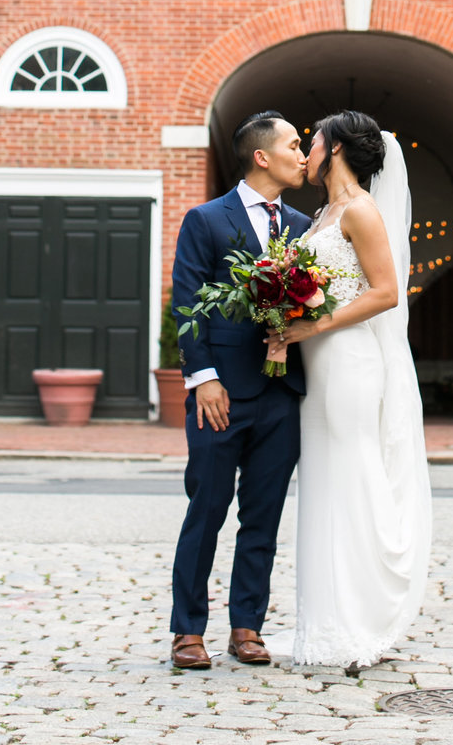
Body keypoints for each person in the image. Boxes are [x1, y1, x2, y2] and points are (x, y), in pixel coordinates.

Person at [275, 109, 431, 668]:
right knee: (322, 482)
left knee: (351, 476)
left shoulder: (362, 211)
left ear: (336, 149)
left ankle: (364, 617)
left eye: (313, 141)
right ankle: (326, 619)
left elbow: (387, 292)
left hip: (348, 362)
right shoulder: (324, 213)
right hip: (318, 366)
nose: (307, 151)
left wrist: (311, 326)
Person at [168, 109, 311, 670]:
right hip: (220, 393)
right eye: (295, 145)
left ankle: (247, 627)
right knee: (206, 509)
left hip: (281, 394)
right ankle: (187, 631)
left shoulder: (302, 226)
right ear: (261, 156)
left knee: (264, 516)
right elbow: (187, 302)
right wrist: (203, 379)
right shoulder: (206, 219)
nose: (303, 155)